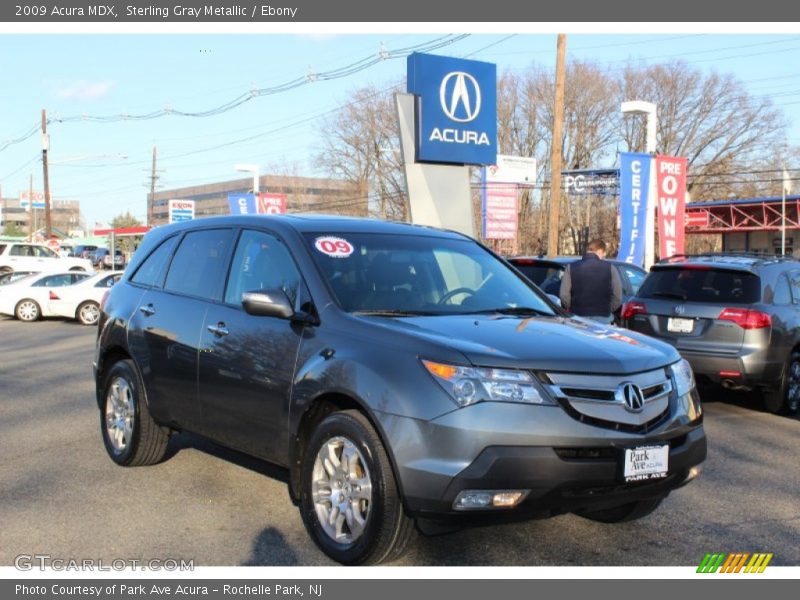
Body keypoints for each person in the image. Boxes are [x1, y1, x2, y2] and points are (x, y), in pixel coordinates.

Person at [559, 239, 623, 324]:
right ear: (600, 251)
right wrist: (607, 309)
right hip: (603, 317)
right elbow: (618, 297)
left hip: (578, 316)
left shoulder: (571, 267)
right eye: (603, 255)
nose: (603, 258)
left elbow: (564, 295)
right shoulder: (610, 268)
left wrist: (573, 307)